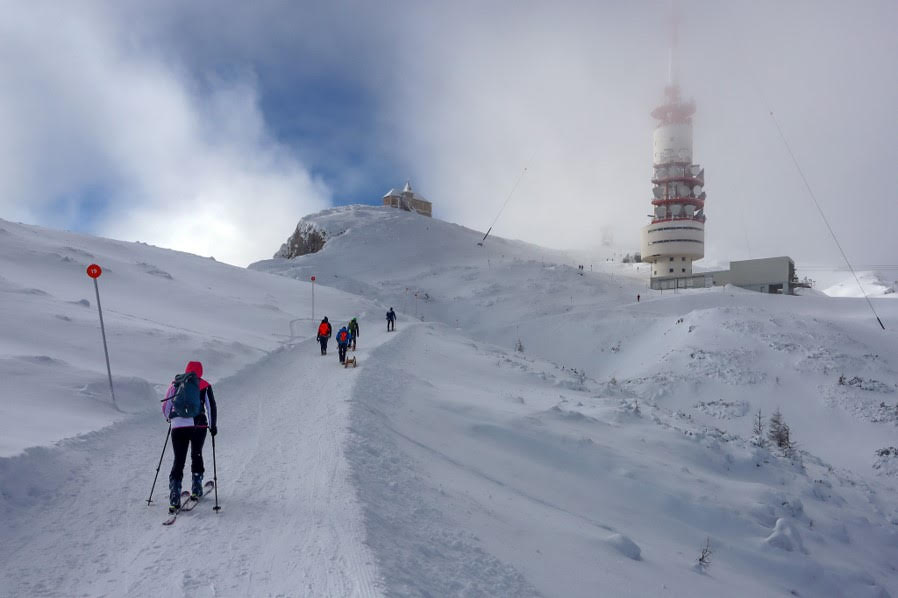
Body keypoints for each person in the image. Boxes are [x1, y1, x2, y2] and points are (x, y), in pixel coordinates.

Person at [162, 361, 217, 513]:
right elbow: (211, 406)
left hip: (178, 427)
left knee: (178, 460)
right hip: (198, 426)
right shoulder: (204, 385)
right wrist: (213, 427)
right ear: (200, 372)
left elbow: (166, 407)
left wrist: (170, 419)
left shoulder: (176, 383)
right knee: (196, 454)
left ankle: (174, 497)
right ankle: (196, 488)